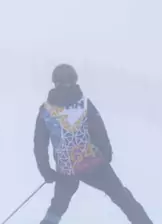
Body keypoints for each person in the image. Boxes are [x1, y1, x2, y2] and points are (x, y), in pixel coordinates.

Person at [34, 64, 153, 224]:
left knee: (57, 207)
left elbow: (39, 144)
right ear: (74, 81)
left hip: (66, 168)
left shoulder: (46, 110)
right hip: (93, 163)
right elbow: (99, 130)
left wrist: (46, 170)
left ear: (55, 83)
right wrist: (106, 153)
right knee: (122, 197)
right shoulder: (84, 104)